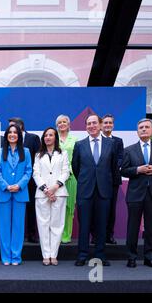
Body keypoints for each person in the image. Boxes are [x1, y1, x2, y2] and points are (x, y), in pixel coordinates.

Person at [121, 118, 152, 268]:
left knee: (150, 227)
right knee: (133, 227)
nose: (143, 129)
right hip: (135, 194)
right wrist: (137, 170)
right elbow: (123, 170)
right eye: (141, 127)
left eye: (146, 127)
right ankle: (131, 257)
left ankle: (149, 257)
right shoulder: (129, 149)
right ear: (137, 131)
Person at [72, 114, 118, 267]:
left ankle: (100, 254)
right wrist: (86, 180)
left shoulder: (111, 144)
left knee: (101, 225)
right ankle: (82, 255)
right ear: (86, 127)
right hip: (85, 191)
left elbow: (113, 168)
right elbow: (76, 167)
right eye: (88, 124)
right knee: (84, 225)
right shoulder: (79, 145)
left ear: (100, 125)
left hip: (104, 191)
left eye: (94, 123)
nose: (91, 126)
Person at [0, 124, 31, 266]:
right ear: (6, 135)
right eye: (10, 132)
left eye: (15, 132)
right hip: (3, 193)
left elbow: (28, 171)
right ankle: (6, 257)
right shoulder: (0, 151)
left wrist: (19, 185)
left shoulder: (26, 152)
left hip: (20, 193)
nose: (12, 134)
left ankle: (16, 256)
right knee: (4, 227)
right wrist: (6, 186)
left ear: (19, 135)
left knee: (18, 227)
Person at [33, 127, 69, 266]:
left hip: (59, 192)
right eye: (46, 135)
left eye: (51, 135)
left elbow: (65, 172)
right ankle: (45, 255)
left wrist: (54, 187)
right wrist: (46, 190)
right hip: (42, 194)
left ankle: (53, 255)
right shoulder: (38, 155)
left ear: (56, 137)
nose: (48, 137)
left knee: (57, 225)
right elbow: (36, 174)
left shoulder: (63, 153)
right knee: (43, 225)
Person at [8, 117, 40, 243]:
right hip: (11, 182)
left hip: (30, 181)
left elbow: (38, 158)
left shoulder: (33, 138)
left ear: (20, 126)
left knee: (31, 208)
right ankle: (14, 237)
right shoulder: (7, 140)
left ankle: (32, 234)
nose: (10, 130)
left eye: (12, 126)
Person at [99, 114, 124, 244]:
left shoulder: (118, 141)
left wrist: (109, 169)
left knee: (110, 209)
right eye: (105, 123)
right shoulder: (96, 140)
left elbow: (120, 158)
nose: (107, 125)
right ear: (101, 125)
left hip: (112, 180)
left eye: (110, 123)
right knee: (97, 209)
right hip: (97, 181)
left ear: (113, 125)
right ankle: (96, 236)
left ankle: (109, 235)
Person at [56, 115, 77, 244]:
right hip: (55, 179)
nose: (62, 124)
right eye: (59, 122)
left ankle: (66, 235)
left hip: (72, 177)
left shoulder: (75, 140)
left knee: (69, 208)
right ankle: (56, 235)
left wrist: (69, 171)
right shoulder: (52, 138)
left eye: (64, 122)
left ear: (69, 125)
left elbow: (78, 159)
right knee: (56, 207)